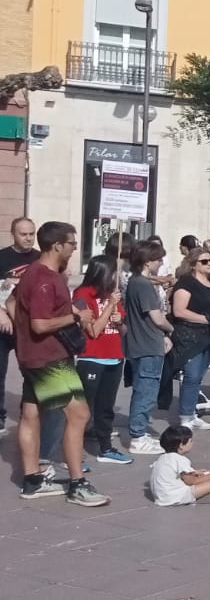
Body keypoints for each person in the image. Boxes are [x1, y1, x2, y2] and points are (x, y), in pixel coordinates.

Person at [11, 221, 108, 505]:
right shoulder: (44, 279)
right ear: (57, 245)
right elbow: (40, 324)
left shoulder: (35, 273)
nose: (75, 247)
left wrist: (22, 336)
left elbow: (11, 303)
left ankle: (32, 481)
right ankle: (78, 484)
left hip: (32, 355)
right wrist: (77, 317)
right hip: (49, 357)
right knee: (79, 414)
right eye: (72, 243)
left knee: (30, 414)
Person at [72, 256, 128, 464]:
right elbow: (93, 330)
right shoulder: (82, 295)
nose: (117, 276)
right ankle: (76, 453)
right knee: (84, 410)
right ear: (103, 272)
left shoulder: (112, 295)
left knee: (106, 408)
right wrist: (108, 308)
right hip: (92, 358)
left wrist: (120, 321)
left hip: (114, 358)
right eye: (114, 272)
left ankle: (106, 448)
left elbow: (123, 330)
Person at [124, 241, 175, 455]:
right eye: (158, 259)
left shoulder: (135, 282)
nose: (161, 263)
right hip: (148, 344)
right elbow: (156, 317)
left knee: (144, 389)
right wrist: (170, 328)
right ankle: (137, 436)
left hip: (141, 343)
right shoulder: (143, 284)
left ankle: (141, 432)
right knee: (146, 391)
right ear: (147, 261)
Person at [169, 247, 210, 431]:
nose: (209, 264)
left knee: (199, 375)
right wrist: (206, 319)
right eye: (204, 261)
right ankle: (185, 415)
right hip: (190, 335)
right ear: (193, 264)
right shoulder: (186, 283)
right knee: (191, 375)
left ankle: (192, 412)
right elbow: (179, 310)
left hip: (209, 335)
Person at [0, 215, 41, 437]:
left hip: (29, 326)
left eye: (31, 234)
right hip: (3, 325)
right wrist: (1, 314)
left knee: (33, 372)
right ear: (13, 234)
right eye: (23, 234)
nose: (28, 238)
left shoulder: (40, 259)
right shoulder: (2, 257)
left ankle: (30, 414)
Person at [150, 423, 210, 505]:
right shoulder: (180, 459)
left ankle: (196, 497)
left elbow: (180, 475)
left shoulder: (163, 458)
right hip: (172, 497)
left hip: (160, 496)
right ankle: (197, 499)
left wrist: (194, 472)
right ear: (181, 445)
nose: (192, 443)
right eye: (190, 441)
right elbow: (191, 481)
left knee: (204, 481)